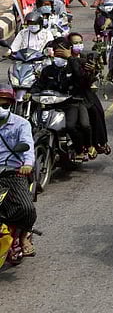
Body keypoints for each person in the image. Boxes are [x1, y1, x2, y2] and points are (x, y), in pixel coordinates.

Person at [33, 39, 91, 160]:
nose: (59, 57)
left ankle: (80, 149)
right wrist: (31, 93)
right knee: (35, 124)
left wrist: (70, 58)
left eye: (62, 53)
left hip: (71, 103)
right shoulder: (47, 70)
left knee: (70, 126)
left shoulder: (76, 65)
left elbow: (81, 78)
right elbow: (39, 85)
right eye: (56, 53)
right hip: (52, 105)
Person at [0, 84, 37, 258]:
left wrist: (27, 164)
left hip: (13, 173)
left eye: (5, 105)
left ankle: (23, 236)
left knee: (26, 208)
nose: (1, 108)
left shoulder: (21, 124)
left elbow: (28, 148)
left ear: (11, 105)